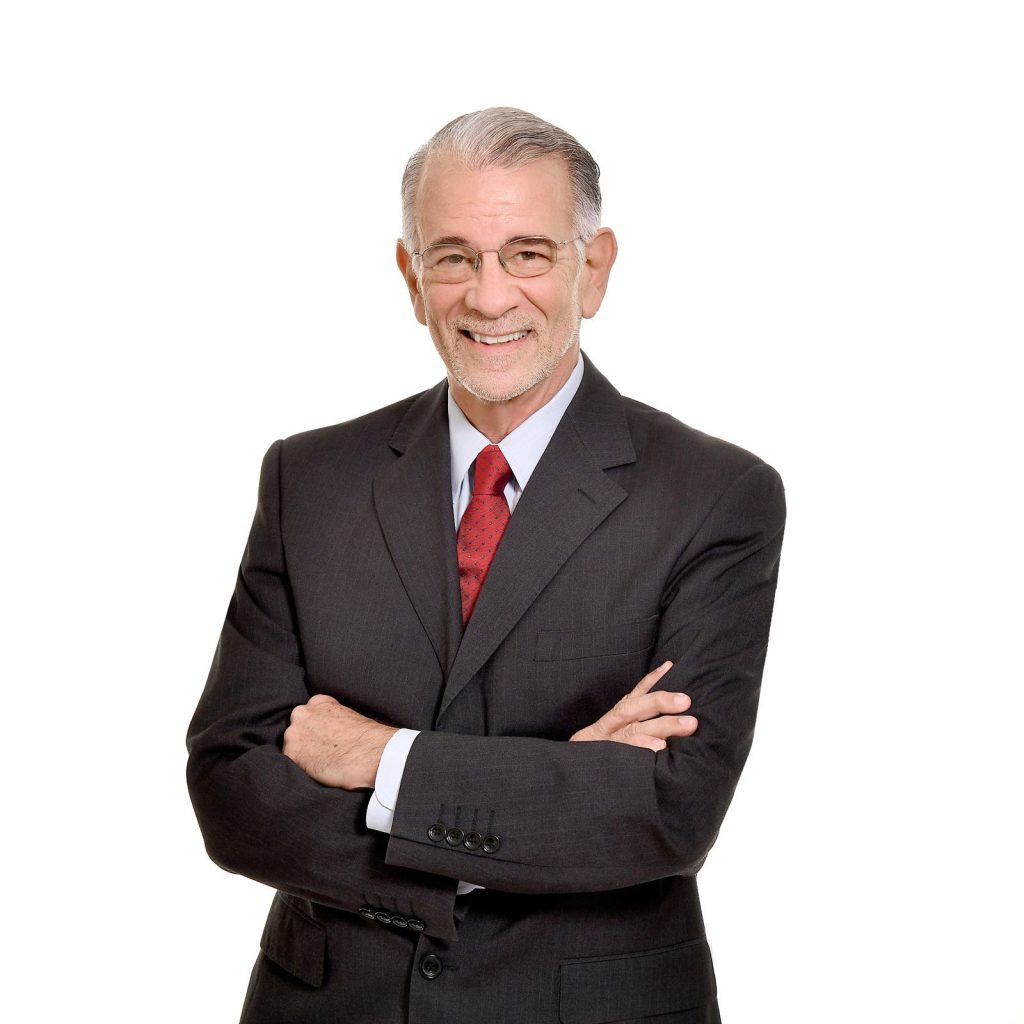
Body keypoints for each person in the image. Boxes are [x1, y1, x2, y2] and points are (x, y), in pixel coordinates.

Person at [186, 106, 786, 1024]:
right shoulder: (308, 480)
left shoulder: (715, 497)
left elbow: (668, 810)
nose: (490, 296)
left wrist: (382, 760)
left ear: (594, 268)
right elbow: (232, 790)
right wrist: (551, 791)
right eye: (454, 257)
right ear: (411, 276)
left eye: (528, 254)